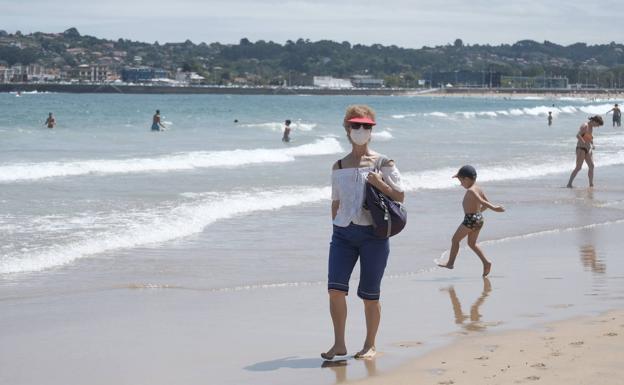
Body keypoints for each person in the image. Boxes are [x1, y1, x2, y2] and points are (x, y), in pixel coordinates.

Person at [322, 105, 405, 361]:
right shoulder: (338, 166)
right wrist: (336, 223)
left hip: (374, 236)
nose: (360, 130)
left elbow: (400, 195)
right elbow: (335, 200)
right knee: (335, 290)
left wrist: (379, 183)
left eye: (366, 126)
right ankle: (339, 344)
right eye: (356, 126)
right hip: (343, 235)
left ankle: (370, 344)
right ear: (347, 129)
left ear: (372, 130)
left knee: (370, 294)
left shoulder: (383, 162)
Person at [438, 165, 505, 277]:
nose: (460, 184)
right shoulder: (479, 188)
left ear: (467, 179)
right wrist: (478, 214)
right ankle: (486, 262)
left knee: (455, 240)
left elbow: (483, 202)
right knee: (471, 243)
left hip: (471, 219)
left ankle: (450, 263)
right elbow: (484, 204)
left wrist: (495, 208)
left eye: (461, 181)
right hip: (478, 218)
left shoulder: (471, 191)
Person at [566, 115, 604, 188]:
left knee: (591, 166)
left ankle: (591, 184)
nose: (597, 126)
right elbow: (578, 135)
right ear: (594, 121)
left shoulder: (591, 127)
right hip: (581, 149)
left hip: (588, 149)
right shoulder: (585, 125)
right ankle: (569, 183)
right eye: (597, 125)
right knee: (578, 167)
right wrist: (583, 142)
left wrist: (592, 144)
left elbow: (589, 137)